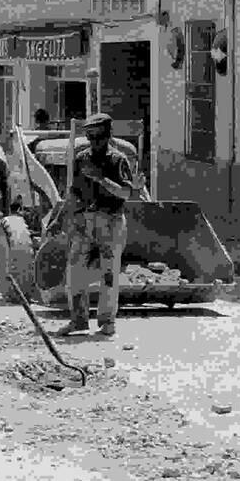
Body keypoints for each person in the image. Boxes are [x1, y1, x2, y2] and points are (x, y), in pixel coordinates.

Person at [48, 112, 149, 337]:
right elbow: (73, 192)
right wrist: (59, 219)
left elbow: (125, 192)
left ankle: (107, 322)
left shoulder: (117, 160)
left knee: (109, 274)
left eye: (98, 137)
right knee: (74, 272)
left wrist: (100, 179)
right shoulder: (82, 158)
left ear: (107, 136)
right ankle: (78, 320)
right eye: (90, 137)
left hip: (110, 222)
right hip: (83, 221)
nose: (94, 143)